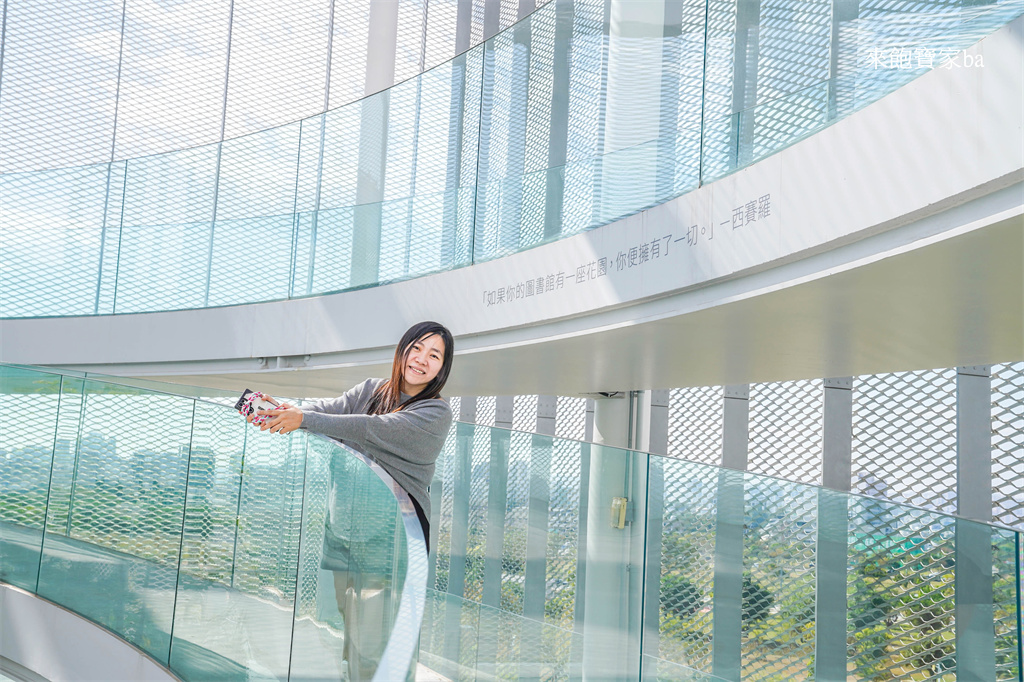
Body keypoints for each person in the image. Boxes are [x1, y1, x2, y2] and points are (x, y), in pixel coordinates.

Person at [248, 320, 454, 680]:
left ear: (442, 367)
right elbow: (328, 410)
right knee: (349, 633)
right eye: (416, 348)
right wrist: (283, 412)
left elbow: (372, 429)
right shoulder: (372, 390)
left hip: (391, 540)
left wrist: (304, 419)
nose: (422, 359)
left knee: (375, 642)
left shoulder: (435, 414)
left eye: (434, 355)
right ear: (403, 350)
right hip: (343, 532)